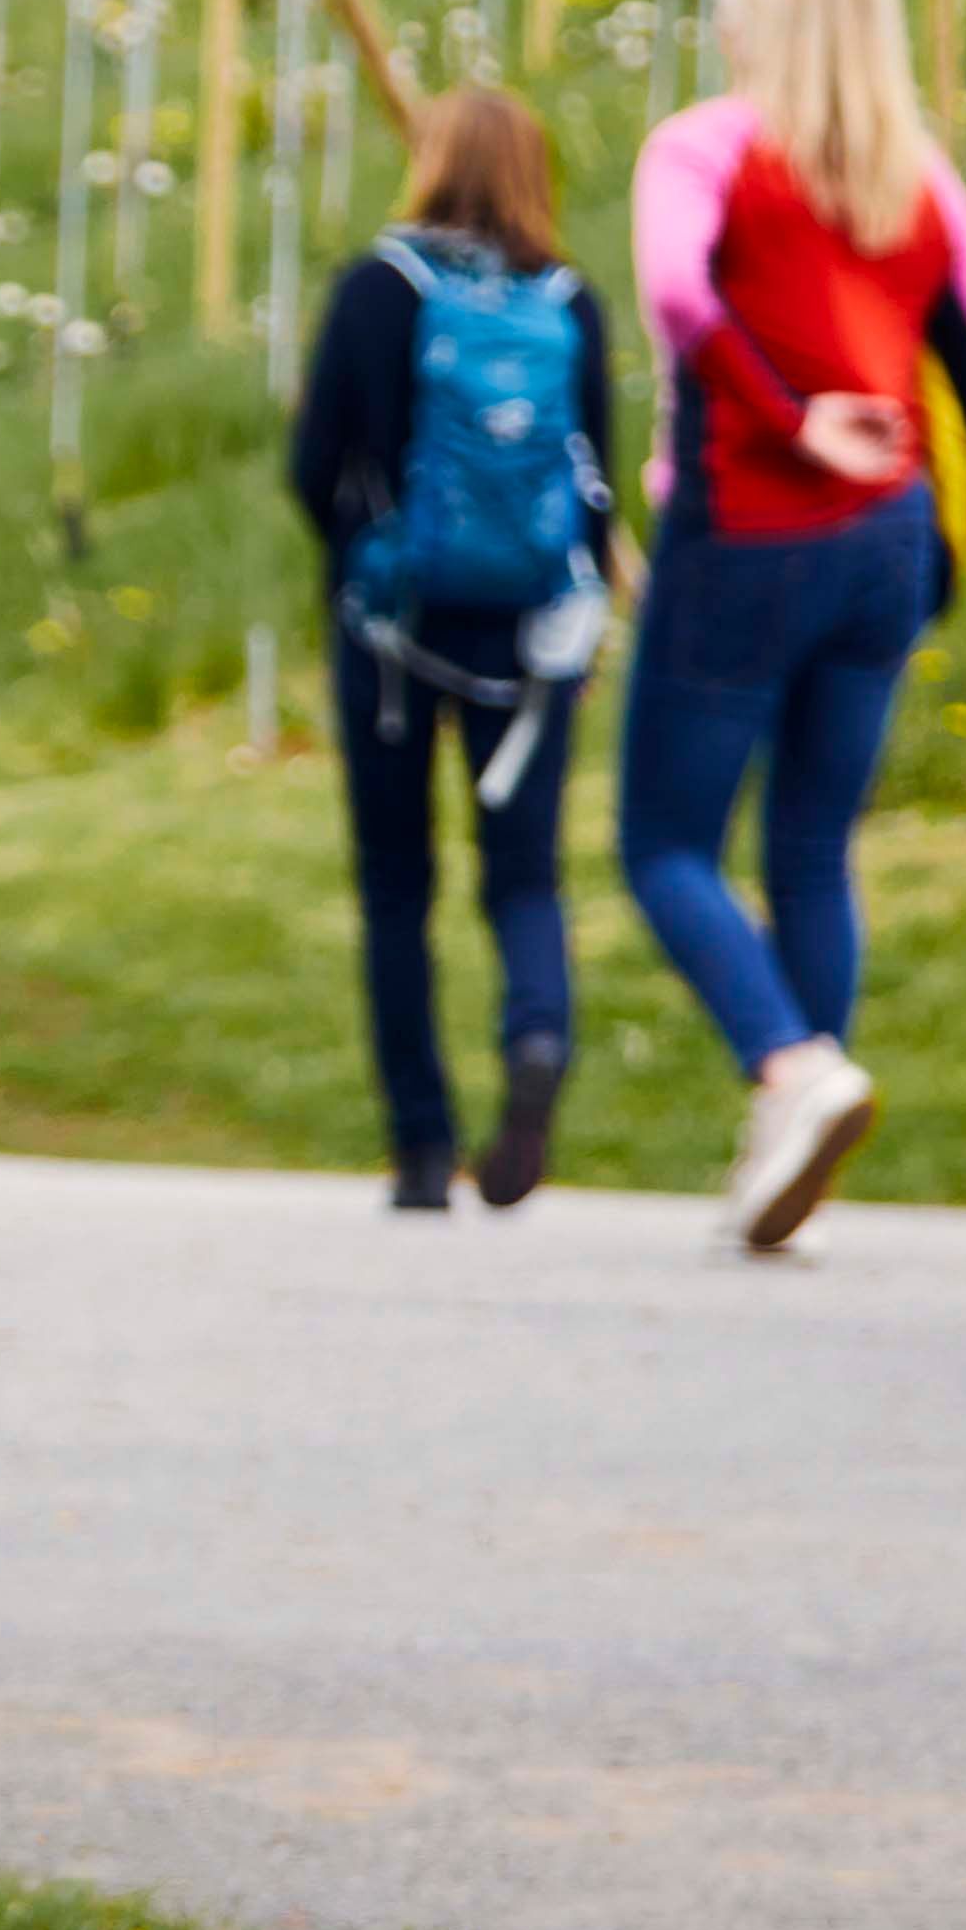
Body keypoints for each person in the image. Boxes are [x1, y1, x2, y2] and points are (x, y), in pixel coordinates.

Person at [616, 0, 966, 1254]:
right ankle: (803, 1131)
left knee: (667, 839)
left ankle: (794, 1071)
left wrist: (790, 417)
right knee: (813, 840)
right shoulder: (918, 174)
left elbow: (679, 298)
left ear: (756, 18)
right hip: (890, 542)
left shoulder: (706, 148)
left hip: (749, 520)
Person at [290, 88, 624, 1213]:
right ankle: (534, 1037)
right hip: (529, 639)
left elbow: (310, 462)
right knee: (522, 875)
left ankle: (422, 1148)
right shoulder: (567, 299)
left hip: (392, 630)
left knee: (396, 885)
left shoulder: (377, 288)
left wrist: (354, 558)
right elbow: (594, 479)